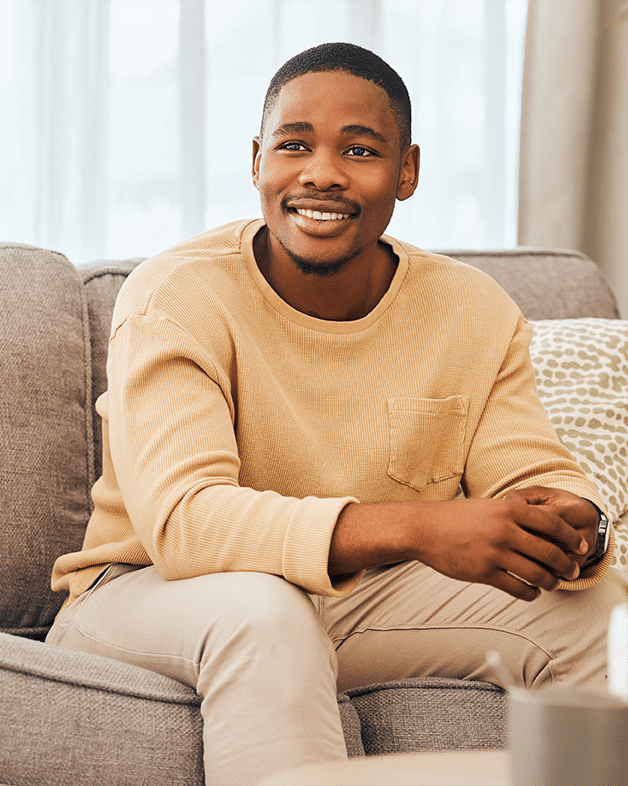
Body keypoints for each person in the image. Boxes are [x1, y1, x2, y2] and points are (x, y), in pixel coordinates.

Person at [47, 42, 621, 785]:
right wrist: (420, 527)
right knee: (263, 609)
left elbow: (531, 469)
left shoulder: (470, 308)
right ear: (257, 162)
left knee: (594, 611)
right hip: (144, 593)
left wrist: (574, 523)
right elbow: (187, 521)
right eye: (294, 145)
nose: (322, 172)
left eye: (360, 149)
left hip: (350, 598)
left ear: (406, 172)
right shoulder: (175, 296)